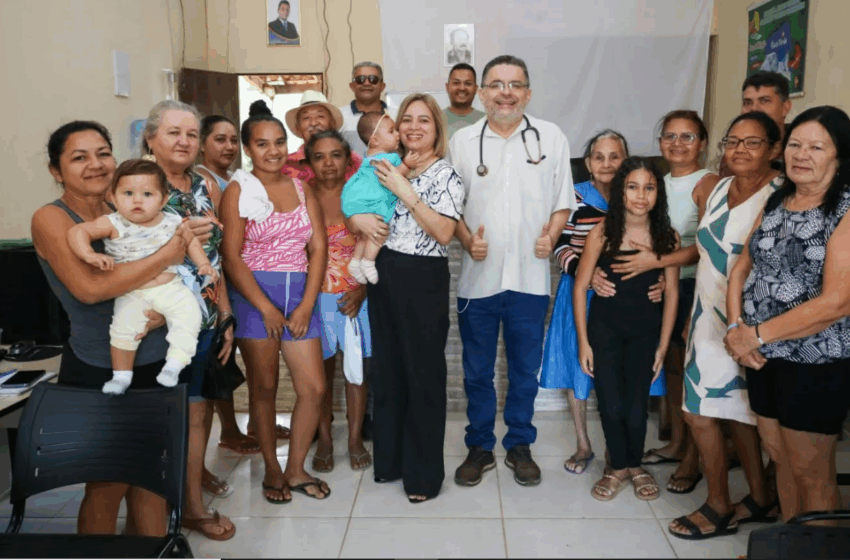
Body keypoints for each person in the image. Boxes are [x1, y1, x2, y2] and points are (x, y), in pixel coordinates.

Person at [32, 121, 190, 537]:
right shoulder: (52, 218)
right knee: (107, 486)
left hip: (154, 359)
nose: (95, 164)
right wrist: (166, 256)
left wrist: (164, 308)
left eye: (103, 153)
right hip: (99, 365)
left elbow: (178, 270)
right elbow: (89, 289)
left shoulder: (127, 206)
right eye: (79, 157)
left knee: (152, 480)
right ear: (55, 169)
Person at [449, 55, 576, 488]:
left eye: (515, 84)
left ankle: (519, 445)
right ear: (482, 93)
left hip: (530, 278)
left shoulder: (551, 137)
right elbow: (449, 209)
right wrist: (467, 240)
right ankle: (480, 446)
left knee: (525, 371)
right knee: (477, 372)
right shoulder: (463, 142)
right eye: (497, 84)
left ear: (528, 92)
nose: (506, 92)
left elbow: (563, 200)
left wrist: (552, 236)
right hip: (477, 282)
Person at [725, 105, 850, 521]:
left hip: (815, 361)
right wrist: (735, 328)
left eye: (816, 146)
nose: (802, 154)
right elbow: (743, 266)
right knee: (779, 458)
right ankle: (788, 543)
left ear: (839, 155)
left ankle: (819, 549)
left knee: (812, 471)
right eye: (795, 143)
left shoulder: (844, 210)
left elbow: (836, 301)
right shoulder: (780, 199)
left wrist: (754, 335)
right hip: (762, 355)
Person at [667, 111, 783, 541]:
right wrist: (694, 319)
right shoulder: (713, 189)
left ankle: (729, 504)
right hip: (708, 317)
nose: (739, 150)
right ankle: (746, 498)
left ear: (774, 149)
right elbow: (706, 257)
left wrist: (741, 326)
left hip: (754, 324)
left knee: (736, 415)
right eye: (732, 141)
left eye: (752, 143)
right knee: (709, 410)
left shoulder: (780, 195)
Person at [347, 93, 465, 502]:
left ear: (436, 129)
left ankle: (423, 475)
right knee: (389, 372)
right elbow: (358, 204)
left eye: (424, 121)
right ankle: (391, 462)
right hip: (385, 275)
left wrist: (406, 191)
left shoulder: (445, 174)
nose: (414, 127)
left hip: (422, 277)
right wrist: (353, 217)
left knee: (423, 374)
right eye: (407, 119)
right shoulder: (387, 165)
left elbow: (446, 233)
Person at [220, 100, 330, 503]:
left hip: (299, 294)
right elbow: (231, 256)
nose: (273, 151)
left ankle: (296, 468)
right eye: (262, 144)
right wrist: (266, 308)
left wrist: (304, 306)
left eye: (279, 142)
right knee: (263, 389)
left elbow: (318, 249)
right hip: (255, 298)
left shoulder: (303, 188)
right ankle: (272, 469)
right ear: (249, 149)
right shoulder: (238, 190)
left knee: (314, 388)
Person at [608, 110, 720, 495]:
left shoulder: (708, 183)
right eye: (669, 136)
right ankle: (675, 443)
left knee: (692, 374)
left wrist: (656, 263)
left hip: (691, 288)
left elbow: (706, 246)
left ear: (702, 143)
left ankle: (692, 458)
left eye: (687, 136)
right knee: (671, 368)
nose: (677, 143)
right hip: (657, 287)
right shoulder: (659, 182)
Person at [541, 129, 663, 475]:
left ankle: (619, 449)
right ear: (588, 164)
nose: (607, 163)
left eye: (615, 156)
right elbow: (559, 244)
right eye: (598, 157)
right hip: (580, 294)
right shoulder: (573, 197)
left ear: (626, 162)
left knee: (622, 377)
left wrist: (660, 282)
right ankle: (583, 445)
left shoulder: (638, 198)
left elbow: (659, 249)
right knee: (579, 368)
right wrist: (586, 271)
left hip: (632, 301)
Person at [142, 99, 236, 540]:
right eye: (173, 132)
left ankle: (194, 507)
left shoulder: (204, 183)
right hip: (159, 328)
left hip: (204, 321)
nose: (184, 141)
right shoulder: (135, 184)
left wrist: (225, 312)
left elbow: (219, 254)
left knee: (198, 414)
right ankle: (152, 517)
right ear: (150, 138)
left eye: (191, 134)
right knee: (161, 420)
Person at [574, 156, 679, 501]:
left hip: (646, 332)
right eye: (632, 187)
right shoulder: (603, 232)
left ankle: (634, 464)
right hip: (604, 331)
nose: (640, 195)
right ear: (620, 192)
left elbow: (673, 292)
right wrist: (583, 343)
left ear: (658, 194)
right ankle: (617, 465)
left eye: (649, 188)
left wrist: (663, 345)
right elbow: (580, 286)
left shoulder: (668, 237)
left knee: (637, 404)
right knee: (610, 402)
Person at [66, 159, 216, 394]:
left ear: (163, 199)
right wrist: (88, 255)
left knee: (190, 317)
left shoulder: (173, 221)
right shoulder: (112, 223)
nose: (137, 200)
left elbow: (192, 242)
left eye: (147, 194)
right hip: (132, 291)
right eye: (128, 193)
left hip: (171, 287)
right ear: (112, 198)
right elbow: (78, 231)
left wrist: (204, 264)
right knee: (123, 331)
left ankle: (175, 364)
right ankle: (121, 376)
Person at [196, 114, 269, 457]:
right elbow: (216, 237)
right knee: (222, 360)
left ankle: (257, 422)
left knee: (248, 358)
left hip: (239, 277)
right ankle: (229, 430)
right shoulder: (205, 180)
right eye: (218, 139)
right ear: (202, 144)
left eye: (230, 140)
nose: (227, 147)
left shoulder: (235, 179)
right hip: (219, 279)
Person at [304, 129, 372, 473]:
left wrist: (363, 290)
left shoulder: (362, 192)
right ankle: (326, 437)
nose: (328, 162)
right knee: (321, 374)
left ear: (348, 158)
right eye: (319, 156)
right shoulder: (301, 195)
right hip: (316, 298)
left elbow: (380, 244)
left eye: (335, 155)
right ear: (309, 162)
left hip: (357, 295)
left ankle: (356, 438)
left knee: (357, 371)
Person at [343, 112, 415, 284]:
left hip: (359, 202)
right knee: (379, 230)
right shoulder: (389, 158)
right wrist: (407, 165)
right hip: (374, 202)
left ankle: (356, 261)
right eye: (391, 131)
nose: (398, 134)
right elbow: (393, 177)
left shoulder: (369, 157)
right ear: (375, 140)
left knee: (364, 236)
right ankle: (368, 262)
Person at [719, 71, 792, 178]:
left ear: (785, 107)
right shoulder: (735, 150)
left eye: (764, 101)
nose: (754, 109)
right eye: (747, 103)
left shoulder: (801, 147)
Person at [282, 90, 362, 183]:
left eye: (320, 116)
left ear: (332, 124)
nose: (313, 123)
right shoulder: (286, 164)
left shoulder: (352, 161)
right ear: (298, 128)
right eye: (306, 118)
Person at [339, 62, 389, 157]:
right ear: (352, 86)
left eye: (373, 79)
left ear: (382, 86)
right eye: (360, 79)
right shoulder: (339, 116)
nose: (366, 83)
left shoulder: (397, 115)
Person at [443, 63, 485, 140]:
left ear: (476, 89)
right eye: (456, 83)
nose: (462, 88)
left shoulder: (486, 121)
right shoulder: (436, 119)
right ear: (447, 87)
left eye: (468, 84)